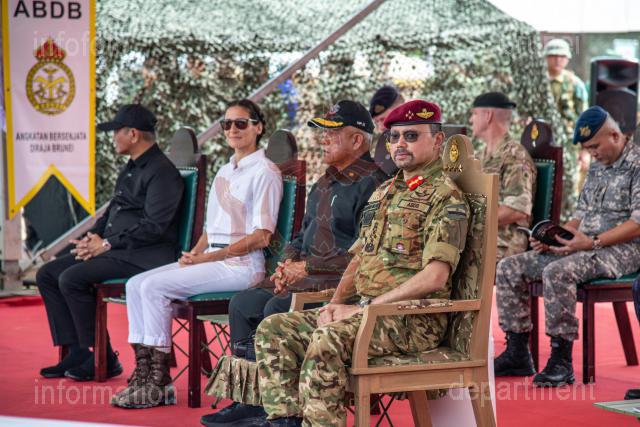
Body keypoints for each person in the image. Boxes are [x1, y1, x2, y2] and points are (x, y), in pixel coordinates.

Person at [219, 99, 470, 427]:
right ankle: (284, 421)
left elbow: (435, 276)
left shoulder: (445, 197)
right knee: (274, 329)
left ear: (437, 141)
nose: (400, 144)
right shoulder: (387, 191)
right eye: (394, 137)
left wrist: (367, 307)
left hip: (411, 318)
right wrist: (335, 304)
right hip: (369, 311)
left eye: (411, 136)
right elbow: (358, 256)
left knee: (327, 336)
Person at [200, 100, 385, 426]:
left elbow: (365, 255)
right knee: (242, 304)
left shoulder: (374, 184)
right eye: (322, 133)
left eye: (332, 133)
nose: (322, 139)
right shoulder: (326, 180)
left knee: (275, 308)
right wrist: (285, 267)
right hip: (307, 278)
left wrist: (307, 268)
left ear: (357, 140)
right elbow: (301, 236)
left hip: (340, 288)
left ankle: (285, 409)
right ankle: (250, 400)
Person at [111, 99, 283, 409]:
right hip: (214, 261)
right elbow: (210, 228)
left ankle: (159, 383)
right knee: (135, 284)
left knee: (153, 287)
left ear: (258, 127)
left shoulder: (265, 172)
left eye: (241, 123)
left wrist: (208, 258)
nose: (232, 129)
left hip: (241, 267)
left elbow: (261, 236)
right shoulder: (225, 169)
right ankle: (144, 374)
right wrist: (194, 253)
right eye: (226, 124)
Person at [36, 104, 184, 382]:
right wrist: (91, 238)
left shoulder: (162, 172)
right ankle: (78, 352)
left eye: (117, 131)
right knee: (47, 274)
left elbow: (154, 227)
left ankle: (101, 357)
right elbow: (112, 212)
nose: (113, 137)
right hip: (119, 249)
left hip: (145, 256)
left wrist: (106, 244)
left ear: (133, 134)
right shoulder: (131, 168)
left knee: (71, 278)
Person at [494, 106, 640, 386]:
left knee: (558, 272)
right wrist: (556, 237)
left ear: (615, 135)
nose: (591, 153)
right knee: (511, 266)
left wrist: (593, 242)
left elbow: (637, 223)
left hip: (624, 249)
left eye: (595, 146)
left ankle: (561, 360)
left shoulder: (637, 164)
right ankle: (517, 353)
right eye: (587, 148)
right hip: (586, 244)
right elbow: (580, 214)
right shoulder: (598, 166)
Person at [470, 92, 536, 261]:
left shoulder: (515, 156)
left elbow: (516, 211)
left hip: (504, 242)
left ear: (488, 115)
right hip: (479, 236)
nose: (471, 120)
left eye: (474, 114)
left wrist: (470, 221)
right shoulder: (479, 156)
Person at [543, 38, 589, 221]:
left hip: (569, 147)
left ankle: (567, 226)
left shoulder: (575, 84)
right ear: (546, 58)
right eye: (553, 55)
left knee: (569, 187)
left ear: (568, 59)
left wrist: (585, 151)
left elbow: (584, 119)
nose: (557, 60)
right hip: (542, 144)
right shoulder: (539, 84)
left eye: (562, 56)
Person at [370, 85, 402, 178]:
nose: (381, 127)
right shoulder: (382, 144)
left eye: (383, 119)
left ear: (400, 110)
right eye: (377, 122)